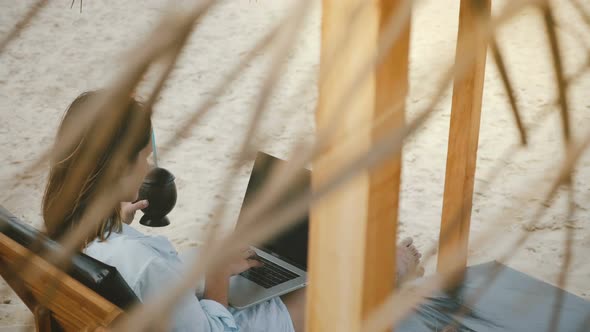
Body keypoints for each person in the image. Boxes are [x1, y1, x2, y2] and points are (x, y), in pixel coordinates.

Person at [42, 90, 423, 332]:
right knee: (325, 289)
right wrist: (219, 277)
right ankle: (391, 269)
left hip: (171, 301)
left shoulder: (70, 232)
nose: (147, 169)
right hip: (221, 320)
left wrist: (117, 223)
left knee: (269, 261)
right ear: (116, 169)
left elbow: (136, 274)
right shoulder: (143, 265)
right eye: (142, 158)